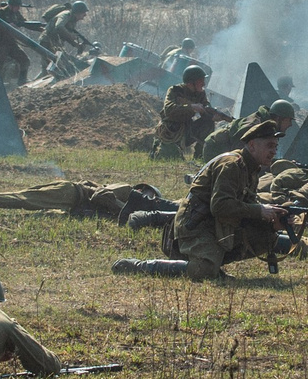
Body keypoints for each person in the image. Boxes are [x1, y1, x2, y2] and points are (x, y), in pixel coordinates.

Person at [115, 115, 288, 280]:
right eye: (269, 146)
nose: (274, 151)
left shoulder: (251, 169)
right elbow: (220, 206)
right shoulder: (231, 165)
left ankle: (212, 261)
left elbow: (245, 207)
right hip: (196, 226)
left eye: (275, 147)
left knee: (267, 237)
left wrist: (272, 224)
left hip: (215, 225)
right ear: (252, 145)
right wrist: (260, 210)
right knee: (203, 270)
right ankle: (138, 266)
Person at [0, 178, 175, 220]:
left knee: (29, 204)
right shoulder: (126, 191)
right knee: (21, 199)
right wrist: (122, 209)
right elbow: (100, 195)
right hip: (71, 193)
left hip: (71, 205)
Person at [155, 65, 219, 157]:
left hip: (188, 129)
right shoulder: (175, 91)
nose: (203, 84)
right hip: (172, 130)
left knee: (208, 123)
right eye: (200, 81)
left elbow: (206, 108)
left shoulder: (200, 93)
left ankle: (200, 154)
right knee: (170, 153)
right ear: (190, 83)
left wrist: (213, 116)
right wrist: (191, 106)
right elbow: (169, 110)